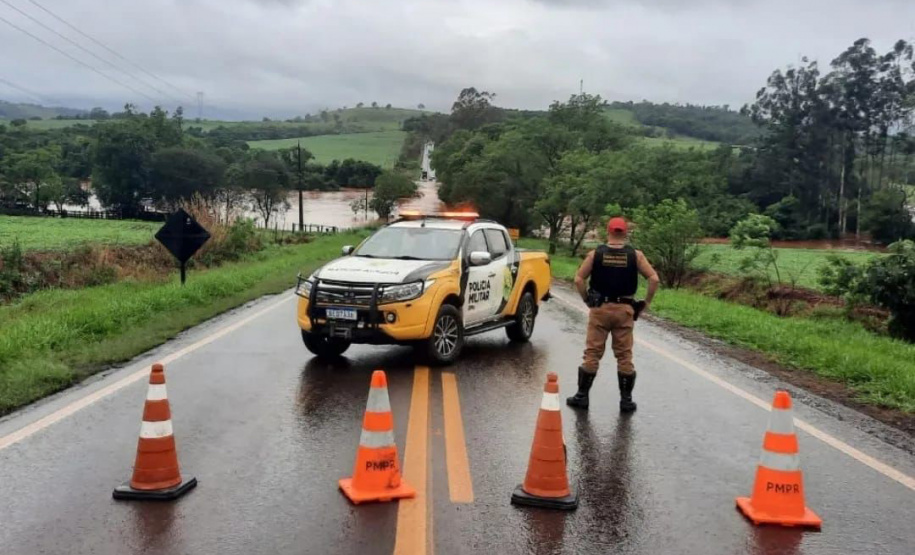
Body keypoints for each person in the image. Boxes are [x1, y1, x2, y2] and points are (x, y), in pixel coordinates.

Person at [567, 217, 660, 413]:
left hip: (600, 309)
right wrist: (646, 302)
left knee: (592, 353)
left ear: (608, 232)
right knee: (624, 355)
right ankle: (626, 401)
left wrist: (586, 300)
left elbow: (578, 279)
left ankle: (581, 397)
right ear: (625, 233)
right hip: (625, 310)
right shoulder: (636, 255)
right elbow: (654, 278)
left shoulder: (595, 254)